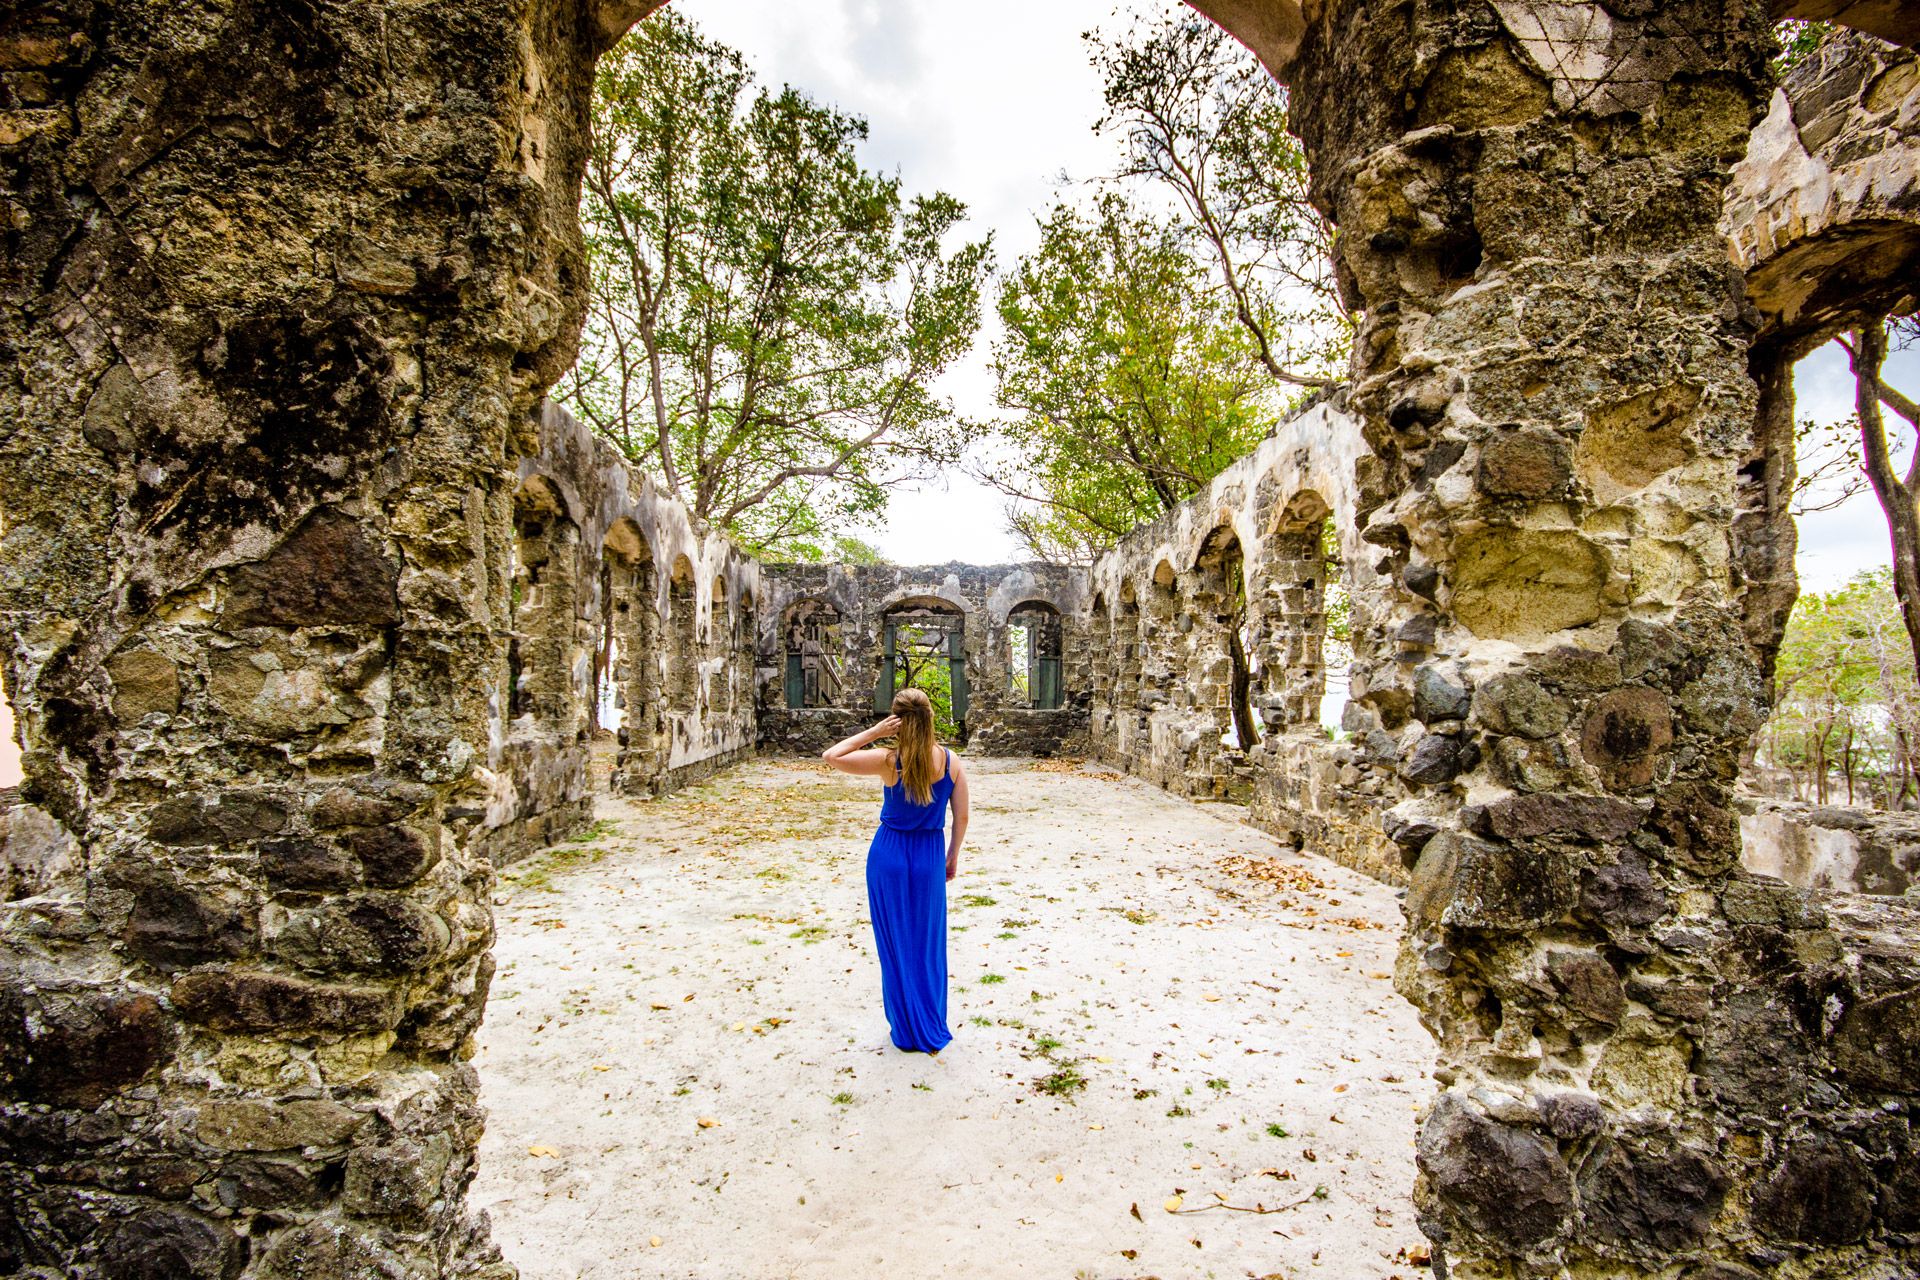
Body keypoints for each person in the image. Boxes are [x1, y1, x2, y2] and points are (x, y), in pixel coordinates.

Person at [822, 688, 970, 1054]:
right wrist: (951, 857)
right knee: (927, 943)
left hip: (888, 855)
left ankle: (904, 1029)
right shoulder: (951, 762)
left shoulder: (889, 760)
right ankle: (929, 1024)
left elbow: (832, 756)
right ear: (931, 717)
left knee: (895, 944)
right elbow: (962, 817)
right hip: (928, 856)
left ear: (897, 721)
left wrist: (874, 732)